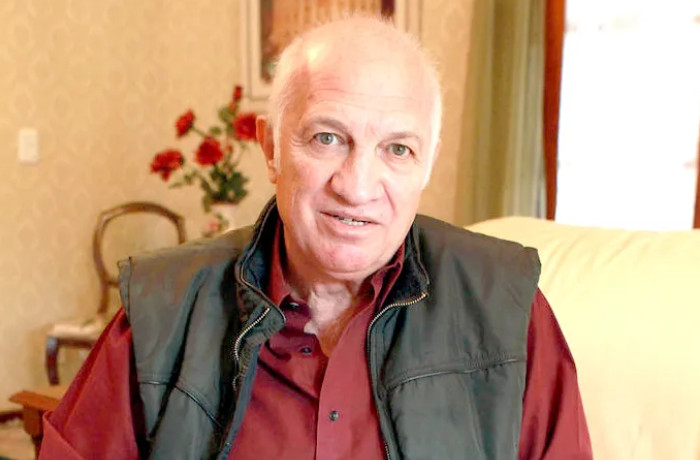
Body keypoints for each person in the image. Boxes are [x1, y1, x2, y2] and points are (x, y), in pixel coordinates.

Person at [40, 16, 592, 460]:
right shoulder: (162, 309)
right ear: (271, 148)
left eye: (398, 149)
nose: (356, 187)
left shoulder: (508, 310)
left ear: (427, 164)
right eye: (328, 138)